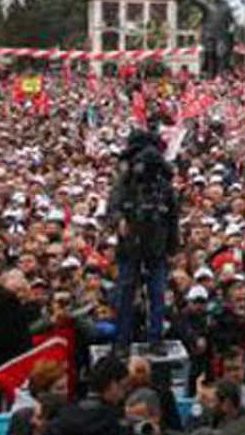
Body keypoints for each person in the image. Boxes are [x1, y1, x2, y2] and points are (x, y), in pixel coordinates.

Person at [105, 133, 179, 354]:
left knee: (157, 295)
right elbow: (112, 209)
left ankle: (155, 340)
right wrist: (119, 221)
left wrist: (173, 247)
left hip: (157, 246)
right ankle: (122, 343)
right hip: (130, 246)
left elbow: (172, 217)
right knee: (126, 294)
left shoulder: (164, 186)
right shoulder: (125, 183)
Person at [45, 355, 129, 435]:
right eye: (123, 387)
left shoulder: (66, 411)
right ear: (112, 384)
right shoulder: (111, 420)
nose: (122, 395)